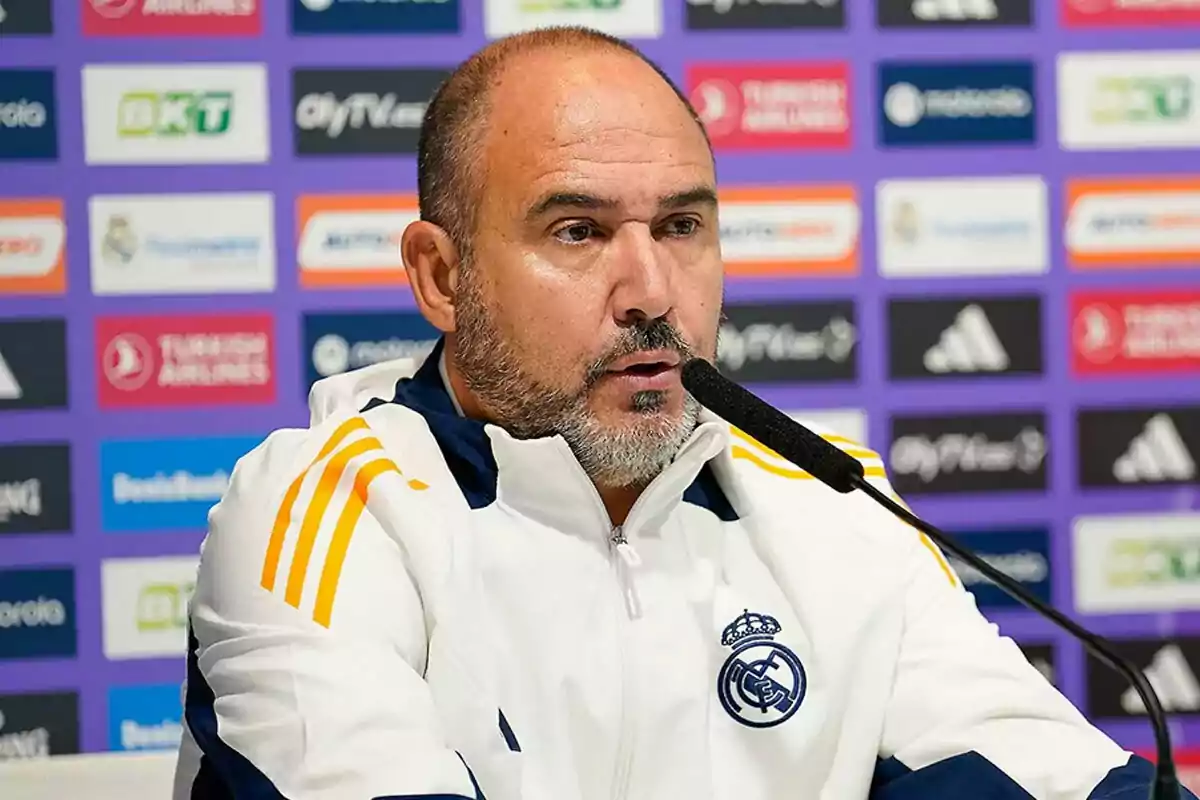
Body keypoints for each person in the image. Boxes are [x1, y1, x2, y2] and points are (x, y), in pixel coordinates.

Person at [173, 27, 1187, 800]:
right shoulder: (324, 510)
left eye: (683, 225)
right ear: (441, 276)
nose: (650, 288)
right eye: (577, 230)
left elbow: (1046, 773)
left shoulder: (835, 502)